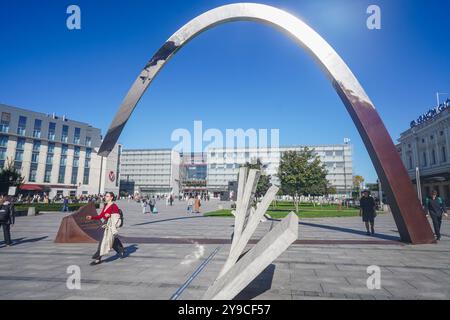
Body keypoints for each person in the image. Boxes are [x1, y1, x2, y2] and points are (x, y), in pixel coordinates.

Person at [86, 192, 125, 265]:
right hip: (105, 224)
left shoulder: (114, 206)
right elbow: (100, 216)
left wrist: (110, 215)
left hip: (110, 225)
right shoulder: (106, 205)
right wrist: (92, 217)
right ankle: (121, 250)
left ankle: (98, 259)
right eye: (105, 196)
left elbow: (117, 217)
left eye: (107, 196)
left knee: (103, 241)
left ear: (111, 197)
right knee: (110, 240)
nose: (105, 197)